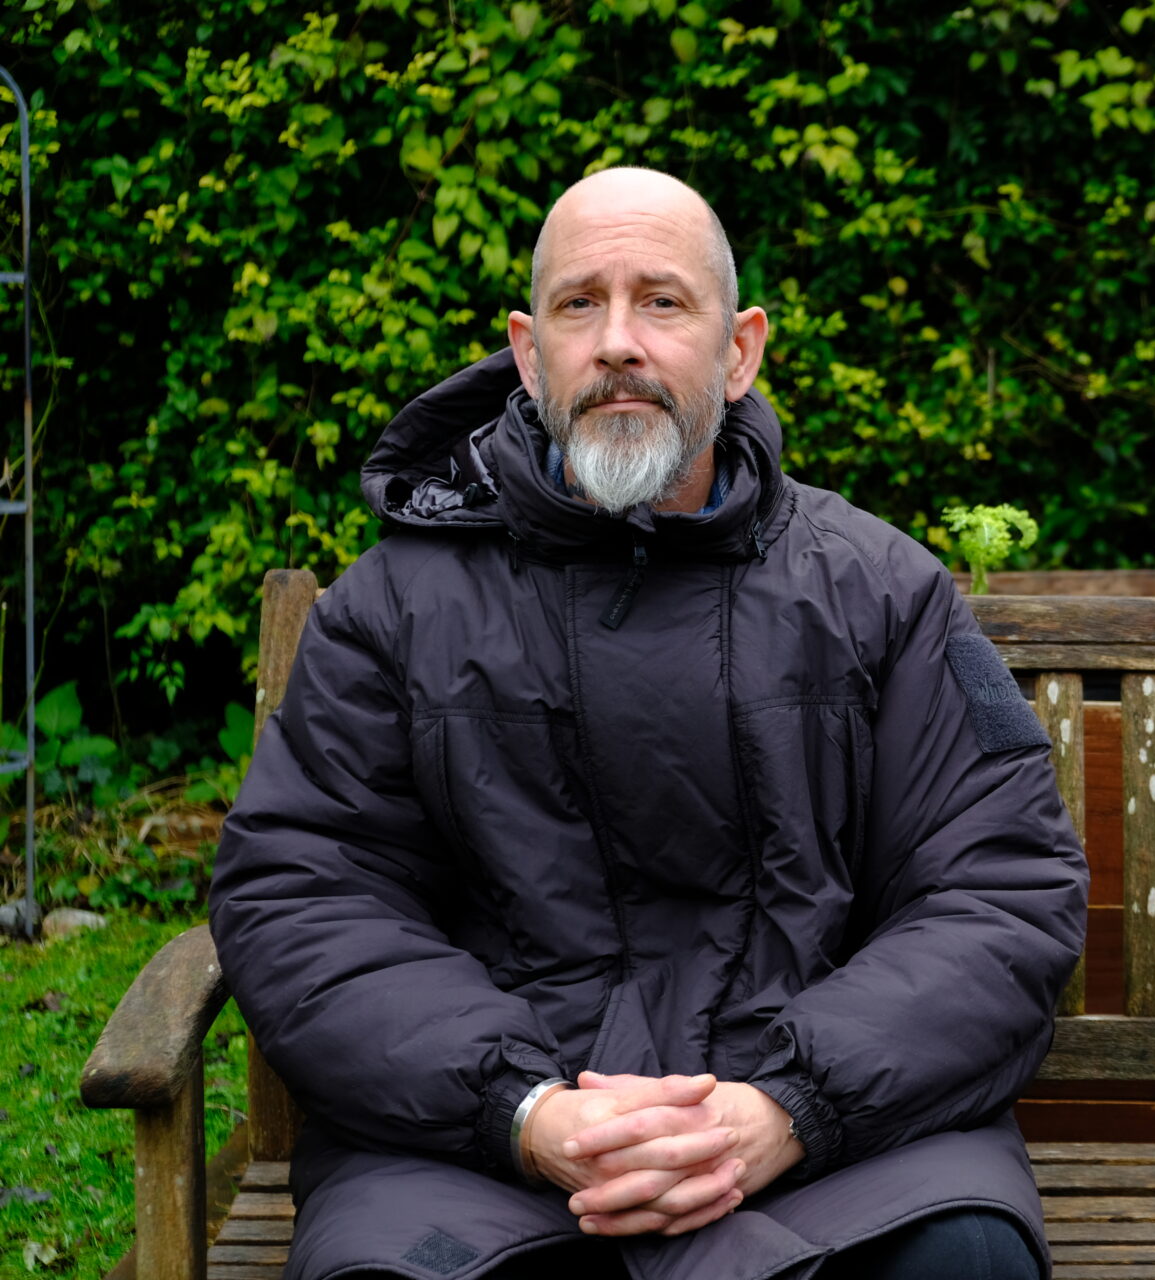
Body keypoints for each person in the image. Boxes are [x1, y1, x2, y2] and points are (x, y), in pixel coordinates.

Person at [208, 167, 1088, 1280]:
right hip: (478, 1156)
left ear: (740, 348)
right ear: (529, 355)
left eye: (662, 301)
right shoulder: (392, 608)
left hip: (834, 1145)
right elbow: (301, 893)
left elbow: (999, 887)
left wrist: (787, 1104)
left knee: (962, 1260)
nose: (619, 339)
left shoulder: (883, 590)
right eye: (582, 303)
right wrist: (525, 1111)